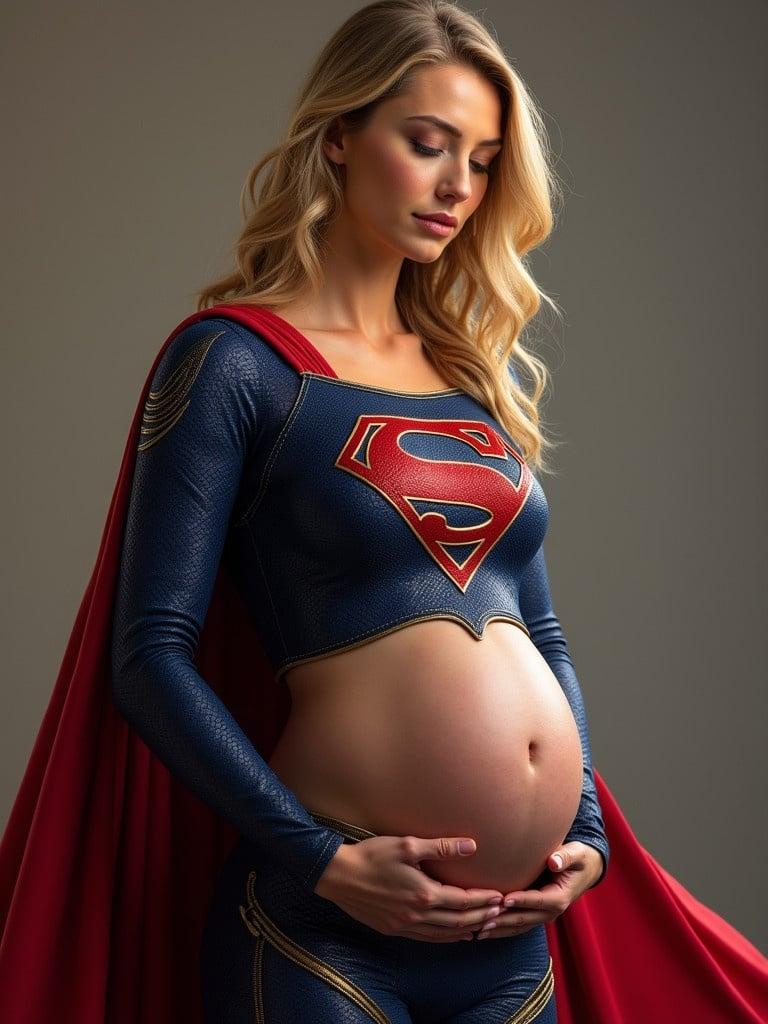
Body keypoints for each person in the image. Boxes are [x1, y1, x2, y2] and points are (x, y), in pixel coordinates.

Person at [1, 2, 767, 1023]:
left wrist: (581, 824)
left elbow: (537, 630)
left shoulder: (469, 380)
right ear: (338, 138)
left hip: (515, 936)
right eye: (427, 143)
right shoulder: (234, 361)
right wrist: (321, 859)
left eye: (484, 159)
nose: (458, 185)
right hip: (326, 937)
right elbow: (150, 654)